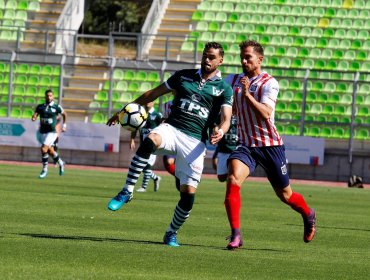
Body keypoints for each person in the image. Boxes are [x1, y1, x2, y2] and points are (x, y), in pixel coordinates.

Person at [106, 42, 233, 247]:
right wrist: (123, 111)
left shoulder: (224, 88)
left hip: (195, 141)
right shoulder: (183, 75)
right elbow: (152, 94)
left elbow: (226, 117)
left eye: (211, 57)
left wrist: (221, 130)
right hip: (172, 128)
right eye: (205, 56)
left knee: (188, 195)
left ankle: (171, 232)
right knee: (150, 140)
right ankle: (127, 191)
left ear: (221, 60)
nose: (207, 60)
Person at [223, 40, 316, 250]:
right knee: (232, 179)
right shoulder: (233, 80)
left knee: (286, 195)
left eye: (248, 57)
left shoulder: (269, 82)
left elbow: (265, 113)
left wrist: (246, 95)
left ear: (260, 59)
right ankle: (236, 235)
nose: (244, 61)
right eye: (242, 57)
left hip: (270, 146)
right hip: (246, 145)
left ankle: (308, 214)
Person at [32, 89, 67, 179]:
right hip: (43, 132)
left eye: (50, 95)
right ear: (45, 96)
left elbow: (64, 114)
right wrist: (34, 116)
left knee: (43, 148)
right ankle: (61, 163)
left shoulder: (56, 107)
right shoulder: (40, 106)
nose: (49, 97)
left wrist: (64, 125)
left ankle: (45, 170)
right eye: (47, 95)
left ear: (53, 97)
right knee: (50, 151)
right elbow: (36, 113)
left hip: (52, 132)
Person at [131, 101, 162, 192]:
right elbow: (135, 127)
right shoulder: (140, 114)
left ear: (154, 102)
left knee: (146, 165)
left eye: (151, 100)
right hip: (142, 145)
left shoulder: (157, 115)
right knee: (141, 165)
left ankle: (144, 187)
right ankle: (155, 178)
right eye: (147, 100)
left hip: (152, 145)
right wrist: (132, 139)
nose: (148, 102)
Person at [213, 114, 238, 182]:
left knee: (235, 175)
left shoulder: (241, 114)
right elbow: (215, 125)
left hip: (236, 149)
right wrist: (216, 129)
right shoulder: (222, 115)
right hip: (223, 148)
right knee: (221, 178)